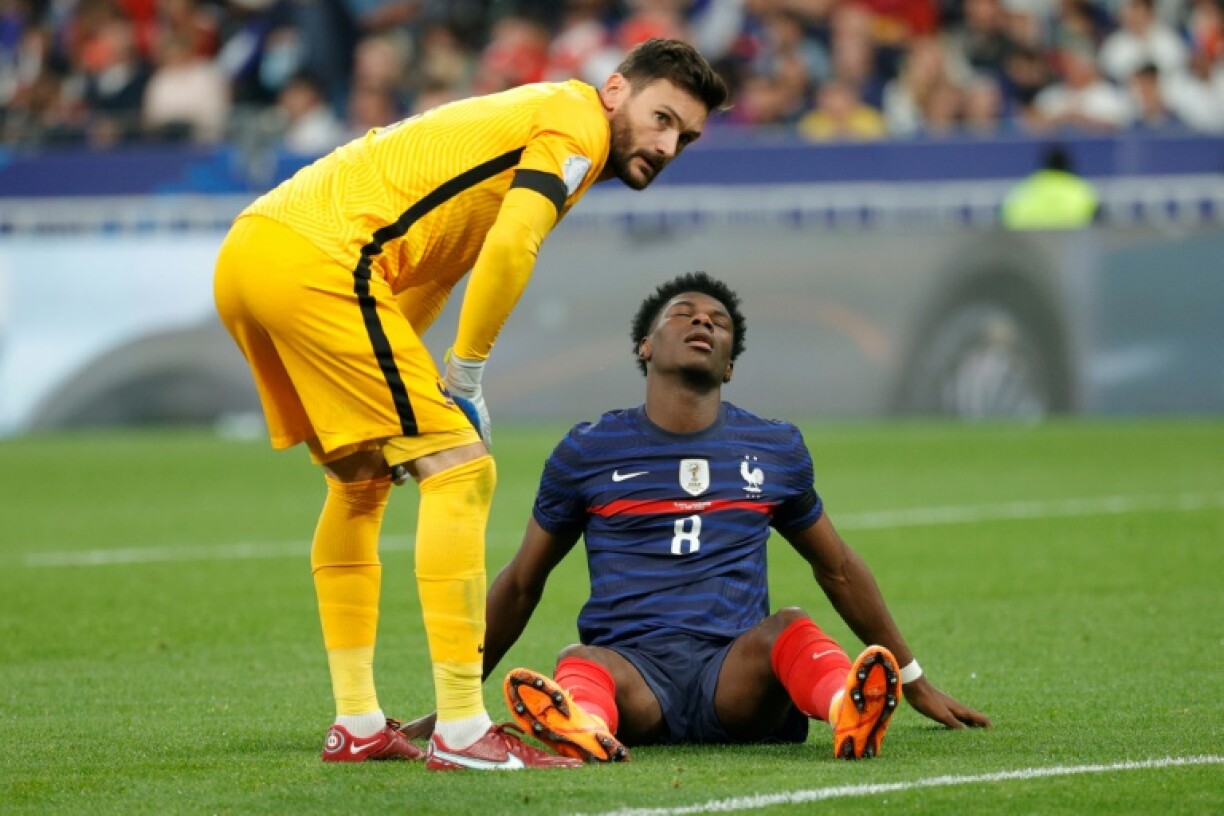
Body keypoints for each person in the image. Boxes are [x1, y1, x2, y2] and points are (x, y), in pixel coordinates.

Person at [212, 39, 729, 770]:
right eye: (662, 118)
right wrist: (464, 376)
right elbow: (512, 245)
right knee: (463, 471)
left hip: (256, 254)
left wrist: (413, 383)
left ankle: (357, 721)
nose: (669, 144)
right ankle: (459, 729)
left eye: (686, 136)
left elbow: (428, 266)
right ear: (616, 90)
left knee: (360, 482)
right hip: (319, 257)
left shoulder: (534, 118)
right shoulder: (576, 121)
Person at [453, 272, 991, 761]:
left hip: (735, 675)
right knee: (581, 658)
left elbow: (840, 568)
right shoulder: (588, 452)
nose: (703, 322)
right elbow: (523, 583)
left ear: (729, 365)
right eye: (684, 313)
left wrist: (915, 681)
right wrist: (456, 706)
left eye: (720, 323)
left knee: (789, 626)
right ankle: (584, 725)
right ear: (645, 344)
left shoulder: (773, 447)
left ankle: (847, 709)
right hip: (634, 674)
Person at [1002, 144, 1100, 230]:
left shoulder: (1025, 188)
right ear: (1069, 165)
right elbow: (1098, 223)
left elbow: (1005, 217)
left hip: (1029, 247)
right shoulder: (1082, 190)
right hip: (1071, 247)